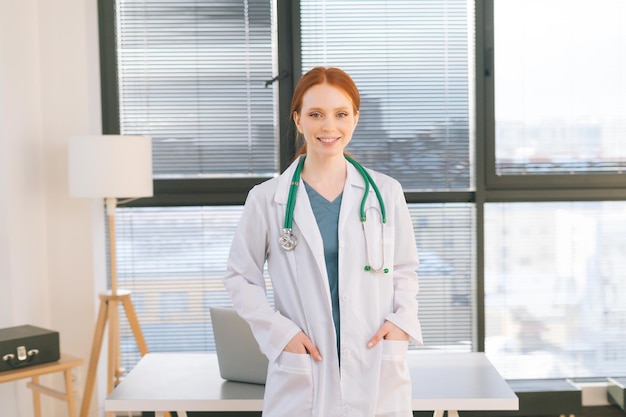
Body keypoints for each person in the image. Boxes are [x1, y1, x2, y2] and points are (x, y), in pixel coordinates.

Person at [223, 66, 422, 416]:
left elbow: (405, 269)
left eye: (340, 114)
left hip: (375, 361)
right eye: (316, 114)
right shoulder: (267, 199)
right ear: (298, 119)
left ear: (355, 119)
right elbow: (241, 278)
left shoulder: (386, 193)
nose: (329, 127)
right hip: (304, 368)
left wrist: (401, 324)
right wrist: (281, 334)